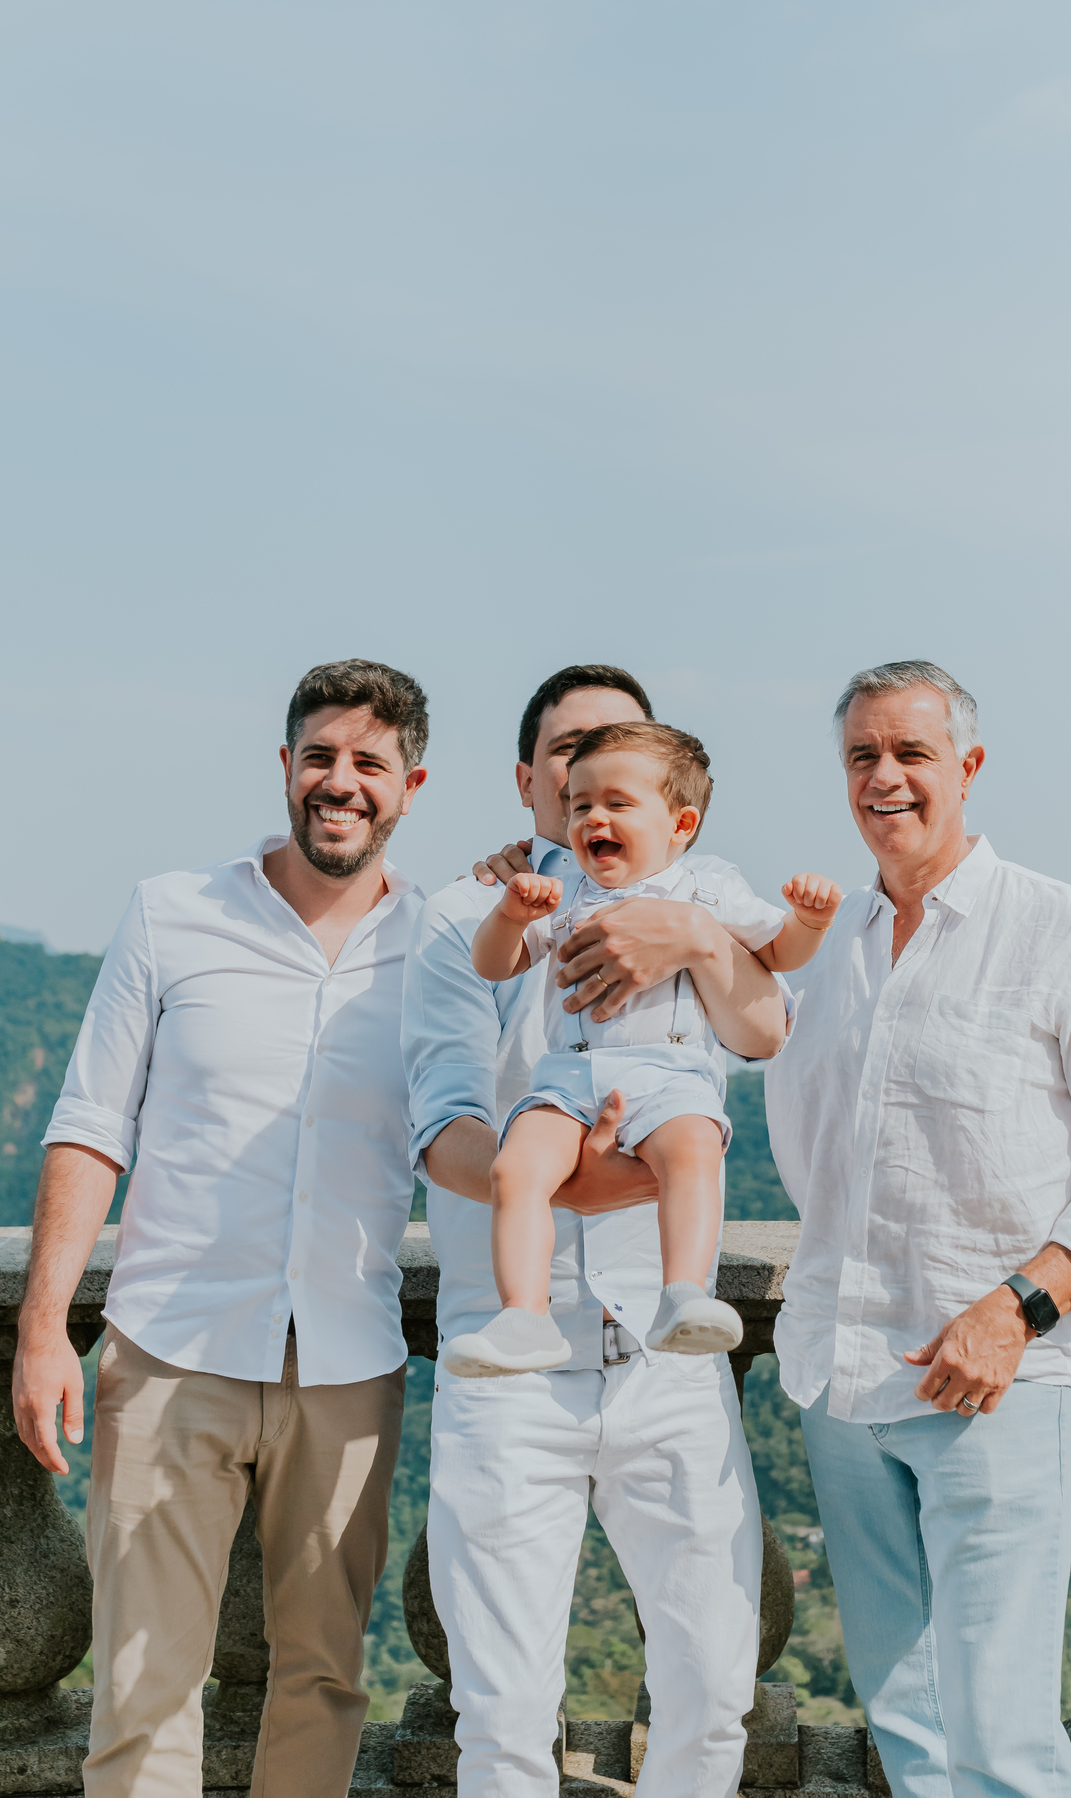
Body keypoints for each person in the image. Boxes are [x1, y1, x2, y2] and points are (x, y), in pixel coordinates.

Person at [765, 659, 1071, 1798]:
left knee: (1002, 1741)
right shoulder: (827, 947)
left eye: (912, 752)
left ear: (968, 766)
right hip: (844, 1383)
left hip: (997, 1389)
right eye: (862, 755)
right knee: (907, 1727)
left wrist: (1016, 1311)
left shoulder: (1067, 932)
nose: (886, 777)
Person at [12, 660, 430, 1798]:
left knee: (324, 1679)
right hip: (170, 1350)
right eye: (320, 755)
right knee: (142, 1688)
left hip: (347, 1363)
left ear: (410, 786)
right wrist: (45, 1329)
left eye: (369, 762)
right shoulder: (172, 911)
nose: (341, 781)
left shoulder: (445, 945)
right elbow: (91, 1124)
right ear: (286, 766)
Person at [401, 664, 790, 1798]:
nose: (591, 779)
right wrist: (578, 1183)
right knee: (501, 1712)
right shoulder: (462, 918)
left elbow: (765, 1032)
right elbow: (440, 1125)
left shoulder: (693, 902)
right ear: (532, 778)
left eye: (621, 755)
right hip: (507, 1360)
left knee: (713, 1688)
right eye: (571, 754)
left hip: (664, 1359)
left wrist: (694, 938)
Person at [448, 719, 841, 1376]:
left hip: (671, 1073)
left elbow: (777, 953)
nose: (592, 819)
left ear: (680, 825)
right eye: (580, 805)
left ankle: (682, 1293)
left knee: (692, 1151)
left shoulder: (706, 888)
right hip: (569, 1077)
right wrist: (511, 917)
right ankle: (525, 1315)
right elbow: (495, 964)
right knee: (515, 1168)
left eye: (617, 803)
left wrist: (810, 921)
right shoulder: (563, 893)